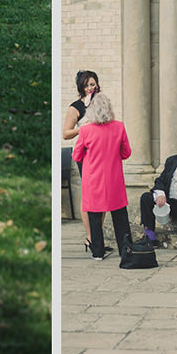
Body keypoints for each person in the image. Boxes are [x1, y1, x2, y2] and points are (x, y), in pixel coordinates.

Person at [71, 93, 132, 261]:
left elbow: (76, 155)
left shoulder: (85, 130)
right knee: (120, 215)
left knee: (95, 216)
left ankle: (97, 252)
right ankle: (125, 248)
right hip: (114, 178)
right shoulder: (119, 127)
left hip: (93, 179)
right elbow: (127, 153)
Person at [62, 70, 102, 251]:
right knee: (89, 195)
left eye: (92, 84)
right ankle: (90, 237)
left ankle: (97, 235)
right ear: (81, 87)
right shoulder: (76, 107)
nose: (90, 88)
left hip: (103, 154)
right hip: (86, 155)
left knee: (103, 195)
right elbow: (66, 133)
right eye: (86, 85)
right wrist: (84, 128)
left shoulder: (102, 104)